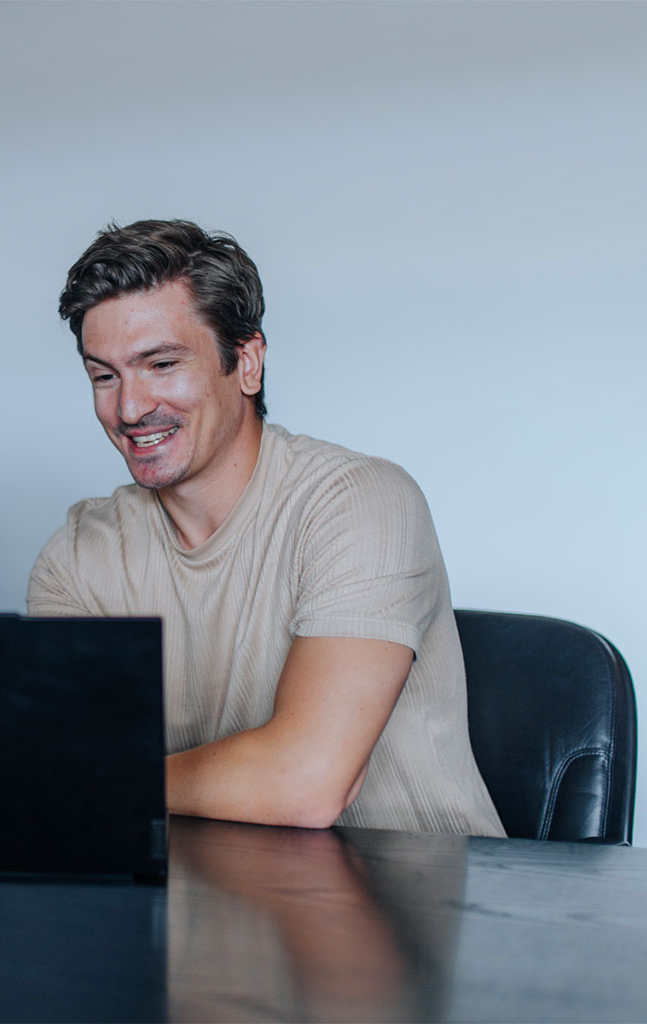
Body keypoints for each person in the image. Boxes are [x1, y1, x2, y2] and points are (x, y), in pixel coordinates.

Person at [28, 220, 504, 835]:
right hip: (211, 905)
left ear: (246, 363)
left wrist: (111, 776)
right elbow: (53, 779)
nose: (129, 407)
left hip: (421, 908)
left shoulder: (360, 501)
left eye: (163, 364)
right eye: (104, 375)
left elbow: (306, 784)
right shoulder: (78, 555)